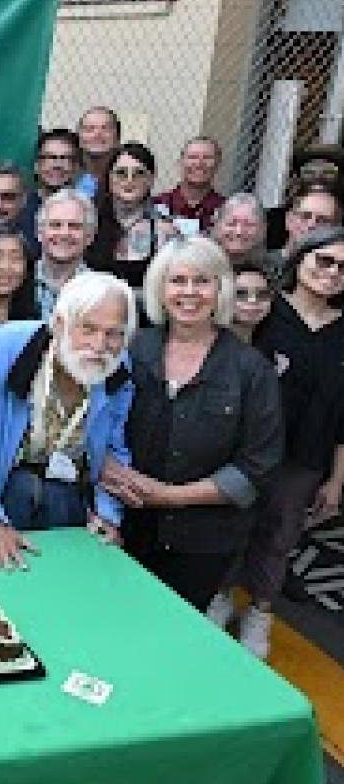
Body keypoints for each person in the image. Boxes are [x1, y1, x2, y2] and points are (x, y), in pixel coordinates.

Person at [104, 237, 283, 611]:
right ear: (159, 288)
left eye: (202, 281)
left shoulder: (251, 370)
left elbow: (257, 467)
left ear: (220, 290)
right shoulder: (130, 350)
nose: (190, 293)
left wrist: (169, 496)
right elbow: (91, 423)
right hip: (122, 525)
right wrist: (111, 472)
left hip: (204, 542)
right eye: (177, 280)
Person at [0, 271, 137, 569]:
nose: (100, 345)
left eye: (114, 333)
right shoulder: (9, 346)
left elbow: (114, 452)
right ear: (59, 324)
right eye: (88, 329)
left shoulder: (117, 366)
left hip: (68, 502)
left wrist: (108, 516)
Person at [207, 229, 344, 652]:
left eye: (343, 267)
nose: (333, 273)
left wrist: (337, 479)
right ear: (298, 259)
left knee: (279, 536)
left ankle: (260, 612)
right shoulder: (264, 311)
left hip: (306, 457)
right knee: (230, 527)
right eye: (324, 260)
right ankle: (220, 598)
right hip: (246, 451)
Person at [85, 142, 179, 294]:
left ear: (150, 179)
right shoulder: (88, 221)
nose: (129, 180)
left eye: (139, 173)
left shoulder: (165, 231)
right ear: (108, 178)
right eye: (121, 173)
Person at [35, 188, 95, 317]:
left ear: (89, 237)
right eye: (55, 225)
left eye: (74, 226)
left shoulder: (101, 290)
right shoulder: (18, 281)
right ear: (39, 233)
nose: (64, 234)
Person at [267, 182, 343, 282]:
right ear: (289, 220)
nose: (311, 224)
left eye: (322, 220)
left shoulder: (337, 277)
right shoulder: (261, 266)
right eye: (305, 216)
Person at [17, 128, 82, 241]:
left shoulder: (86, 210)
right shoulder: (19, 208)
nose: (57, 165)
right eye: (50, 157)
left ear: (76, 167)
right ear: (37, 166)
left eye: (65, 158)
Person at [155, 137, 225, 234]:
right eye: (193, 157)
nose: (199, 164)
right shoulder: (157, 205)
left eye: (207, 157)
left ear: (217, 164)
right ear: (180, 162)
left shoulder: (225, 210)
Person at [209, 193, 267, 266]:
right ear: (217, 225)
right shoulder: (199, 261)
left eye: (249, 225)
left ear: (262, 229)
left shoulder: (273, 269)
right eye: (231, 223)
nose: (238, 232)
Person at [76, 105, 120, 197]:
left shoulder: (127, 177)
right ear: (79, 137)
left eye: (106, 128)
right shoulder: (66, 175)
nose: (97, 134)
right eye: (89, 129)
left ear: (117, 138)